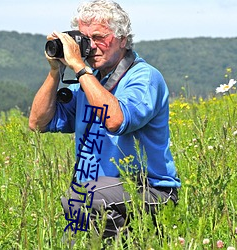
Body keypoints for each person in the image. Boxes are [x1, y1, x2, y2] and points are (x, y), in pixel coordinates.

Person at [29, 0, 181, 244]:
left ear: (122, 39)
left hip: (150, 191)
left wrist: (79, 68)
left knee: (90, 195)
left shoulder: (143, 77)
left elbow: (116, 121)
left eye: (99, 37)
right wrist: (55, 70)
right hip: (96, 195)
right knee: (72, 231)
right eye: (85, 39)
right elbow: (38, 123)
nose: (91, 47)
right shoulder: (88, 83)